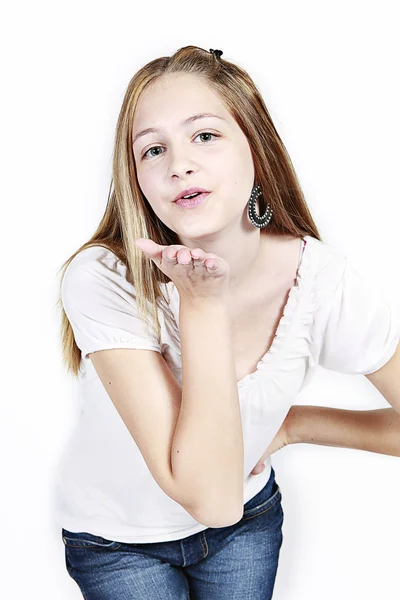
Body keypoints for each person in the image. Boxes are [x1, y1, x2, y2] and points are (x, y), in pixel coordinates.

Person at [54, 46, 400, 599]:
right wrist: (202, 304)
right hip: (116, 542)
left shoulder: (321, 282)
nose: (179, 165)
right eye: (153, 150)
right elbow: (209, 497)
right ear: (137, 178)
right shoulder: (103, 276)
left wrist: (295, 424)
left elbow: (226, 511)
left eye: (205, 136)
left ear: (255, 150)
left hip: (246, 527)